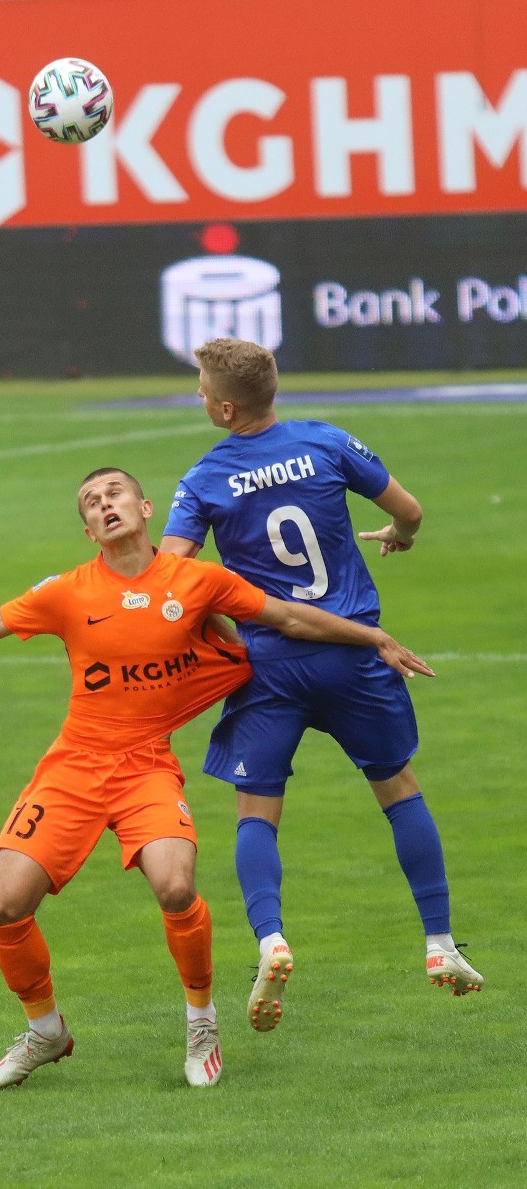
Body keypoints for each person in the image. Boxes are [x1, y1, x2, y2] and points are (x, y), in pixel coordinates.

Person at [0, 467, 432, 1089]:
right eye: (91, 504)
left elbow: (286, 619)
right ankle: (45, 1031)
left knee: (175, 887)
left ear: (146, 507)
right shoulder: (67, 591)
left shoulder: (198, 581)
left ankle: (201, 1021)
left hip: (145, 766)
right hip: (72, 767)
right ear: (89, 529)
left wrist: (371, 637)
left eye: (114, 494)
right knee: (5, 905)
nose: (105, 506)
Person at [160, 337, 484, 1034]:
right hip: (355, 655)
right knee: (398, 788)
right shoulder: (326, 441)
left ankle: (271, 939)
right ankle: (438, 944)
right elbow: (412, 509)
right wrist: (400, 533)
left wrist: (217, 630)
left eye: (197, 386)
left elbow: (171, 578)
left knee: (257, 810)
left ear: (222, 407)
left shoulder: (205, 478)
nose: (194, 394)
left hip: (268, 663)